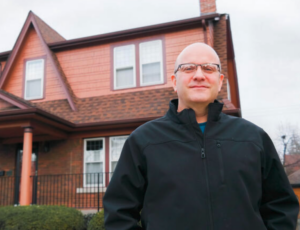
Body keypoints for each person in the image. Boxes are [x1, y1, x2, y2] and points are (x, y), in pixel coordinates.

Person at [103, 43, 299, 230]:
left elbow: (281, 206)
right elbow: (118, 213)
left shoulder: (254, 138)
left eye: (208, 68)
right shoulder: (143, 141)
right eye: (188, 68)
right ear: (174, 81)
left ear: (220, 81)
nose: (199, 75)